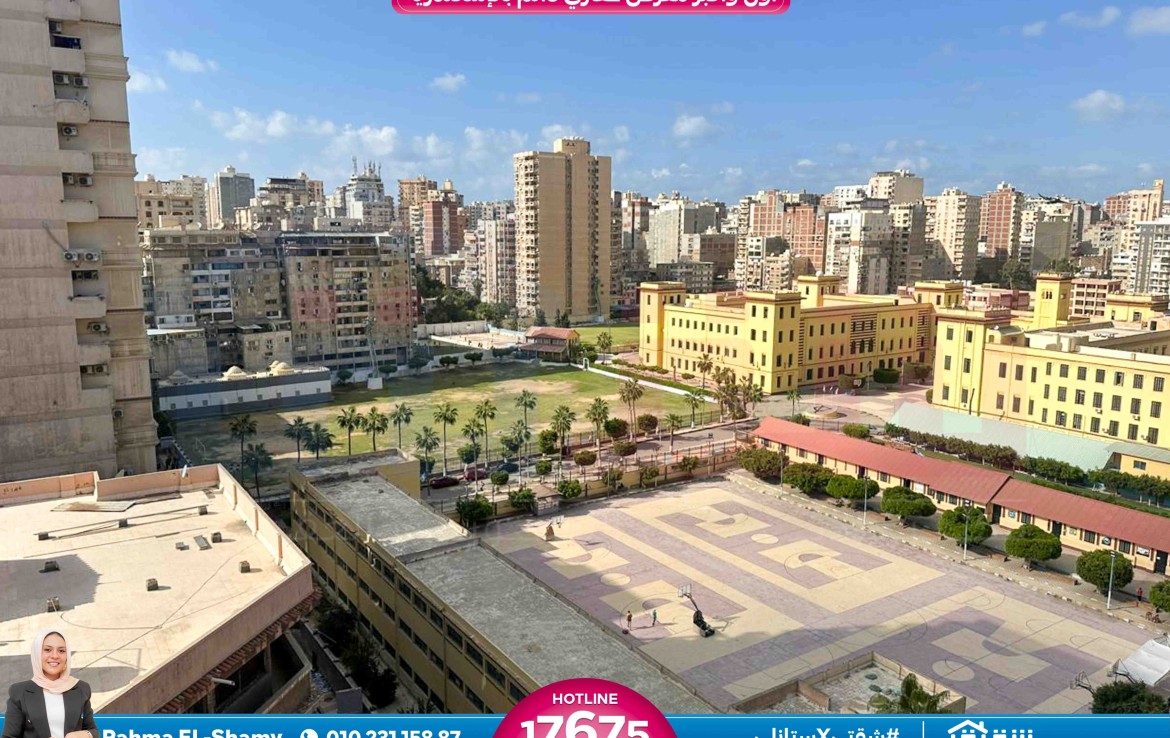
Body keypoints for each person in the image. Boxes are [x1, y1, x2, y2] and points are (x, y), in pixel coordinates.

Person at [3, 630, 98, 738]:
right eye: (47, 650)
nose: (55, 656)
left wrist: (84, 735)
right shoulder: (19, 692)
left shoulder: (81, 688)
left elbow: (93, 731)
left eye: (61, 651)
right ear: (37, 653)